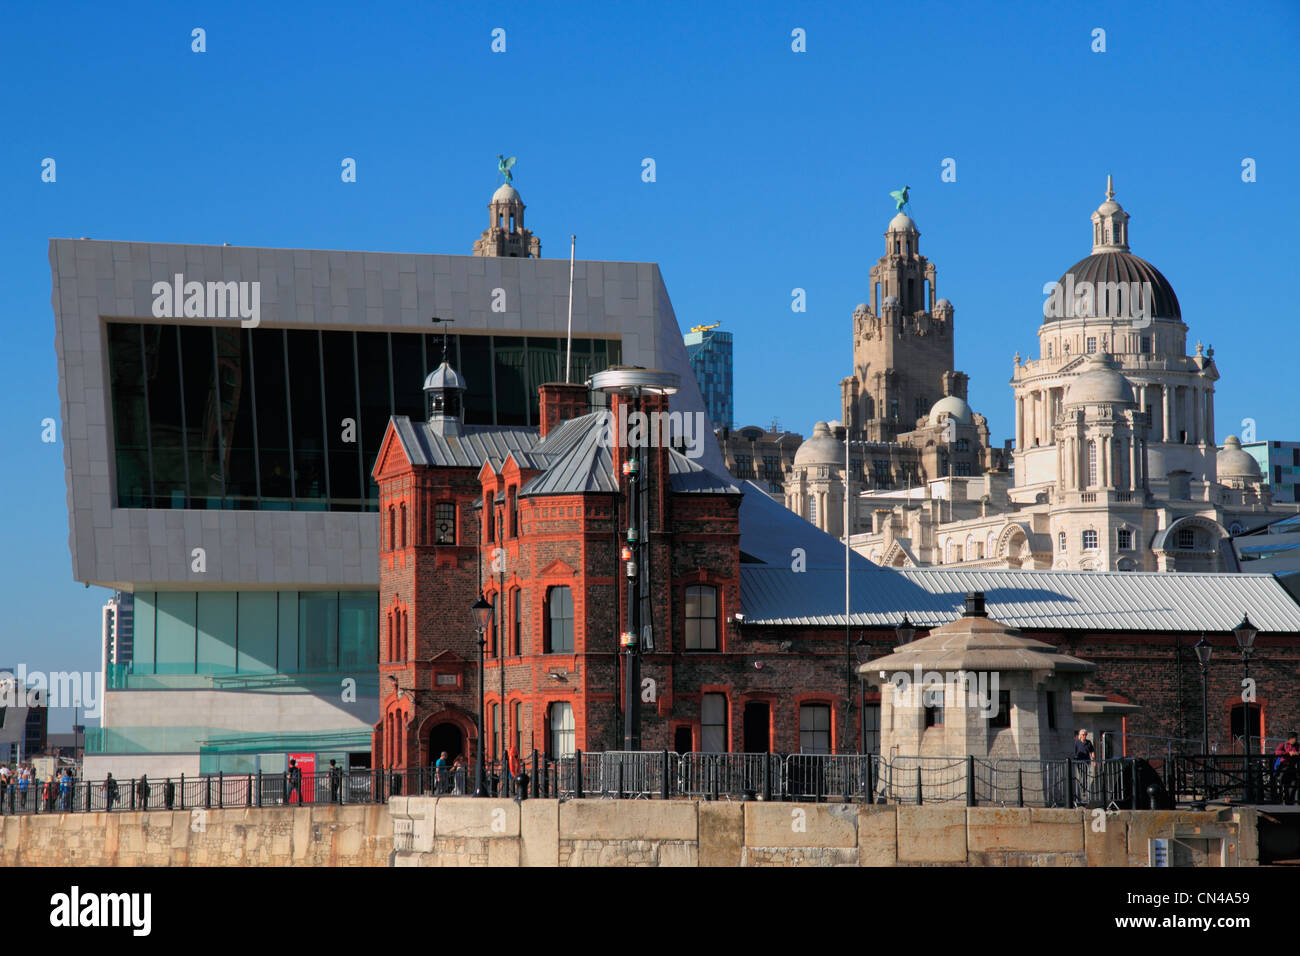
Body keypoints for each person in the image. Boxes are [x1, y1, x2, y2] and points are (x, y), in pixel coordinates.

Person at [1273, 733, 1299, 804]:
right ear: (1290, 738)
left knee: (1294, 783)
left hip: (1292, 766)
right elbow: (1277, 752)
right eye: (1295, 738)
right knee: (1284, 783)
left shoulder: (1297, 746)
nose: (1296, 739)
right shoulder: (1283, 744)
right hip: (1284, 766)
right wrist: (1288, 753)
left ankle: (1290, 800)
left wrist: (1297, 753)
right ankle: (1285, 799)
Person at [1072, 729, 1095, 803]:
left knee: (1085, 776)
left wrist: (1093, 760)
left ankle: (1084, 790)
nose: (1084, 736)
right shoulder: (1076, 742)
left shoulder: (1088, 742)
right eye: (1083, 735)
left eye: (1085, 735)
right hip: (1079, 762)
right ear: (1080, 735)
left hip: (1086, 762)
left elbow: (1092, 751)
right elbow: (1074, 752)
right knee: (1081, 775)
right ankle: (1081, 789)